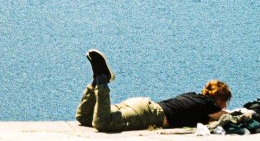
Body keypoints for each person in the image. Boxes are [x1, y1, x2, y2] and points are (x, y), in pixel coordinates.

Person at [76, 50, 231, 133]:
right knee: (102, 123)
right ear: (218, 98)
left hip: (139, 104)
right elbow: (227, 116)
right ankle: (102, 79)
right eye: (225, 101)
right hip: (149, 114)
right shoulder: (210, 106)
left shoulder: (192, 96)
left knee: (84, 118)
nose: (225, 105)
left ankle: (95, 81)